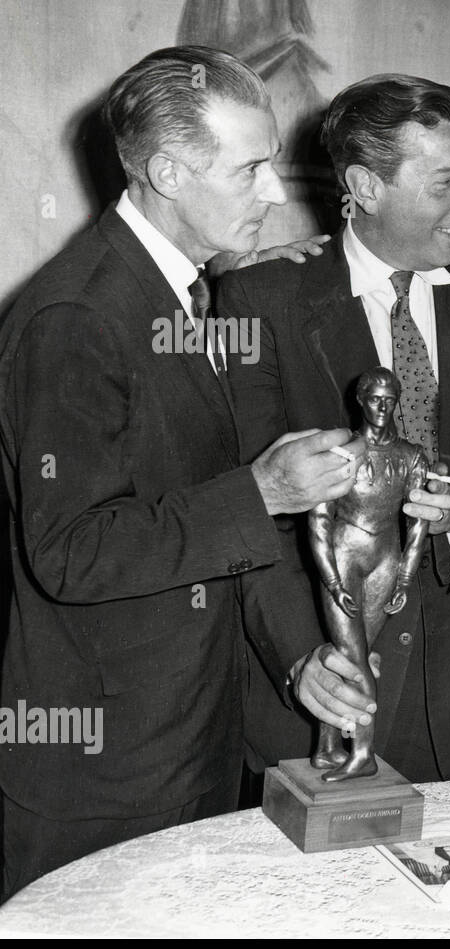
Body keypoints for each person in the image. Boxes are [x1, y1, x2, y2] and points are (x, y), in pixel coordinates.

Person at [0, 45, 362, 899]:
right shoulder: (75, 316)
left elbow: (202, 514)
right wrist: (264, 490)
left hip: (194, 743)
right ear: (166, 171)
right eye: (250, 170)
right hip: (100, 776)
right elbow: (71, 551)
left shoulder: (185, 296)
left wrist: (297, 659)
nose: (276, 194)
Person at [220, 74, 450, 784]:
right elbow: (244, 509)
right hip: (321, 692)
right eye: (446, 183)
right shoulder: (262, 300)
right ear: (366, 185)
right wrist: (299, 655)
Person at [309, 369, 430, 782]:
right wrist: (332, 581)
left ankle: (328, 745)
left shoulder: (412, 457)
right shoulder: (341, 452)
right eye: (375, 399)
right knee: (356, 658)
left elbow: (417, 527)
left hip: (387, 560)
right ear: (360, 399)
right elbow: (319, 522)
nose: (383, 407)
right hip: (344, 556)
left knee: (350, 658)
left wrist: (405, 578)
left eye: (390, 400)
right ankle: (363, 753)